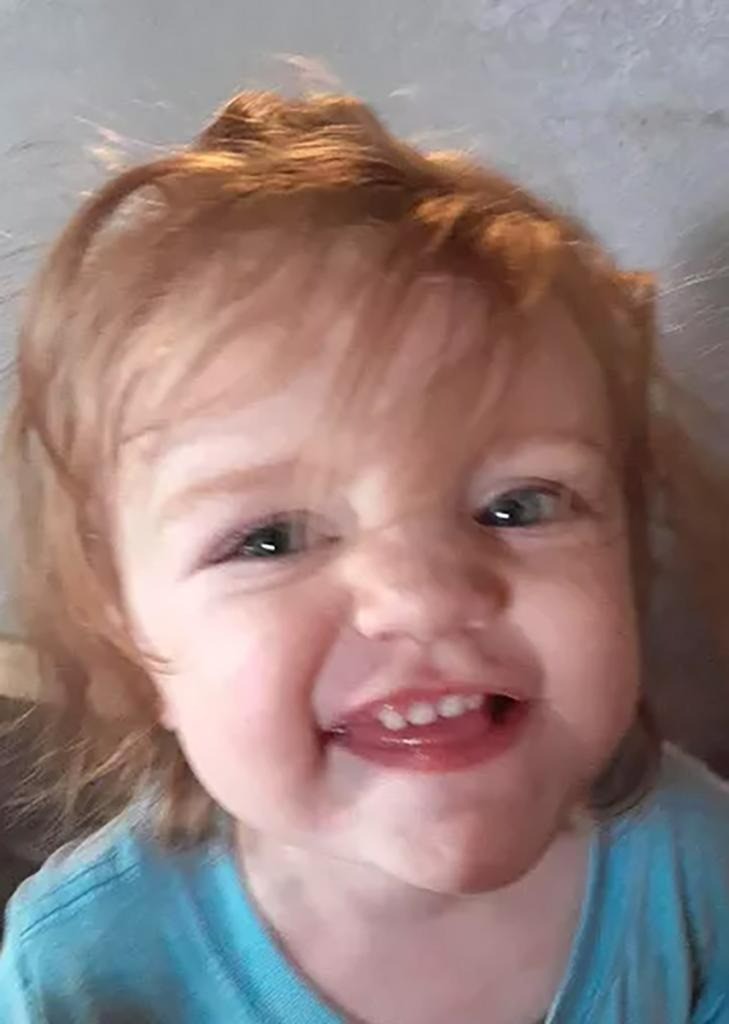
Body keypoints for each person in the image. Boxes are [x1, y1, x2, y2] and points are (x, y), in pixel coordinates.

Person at [0, 89, 728, 1024]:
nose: (422, 595)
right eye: (269, 538)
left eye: (517, 506)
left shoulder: (697, 870)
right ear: (135, 645)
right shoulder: (82, 973)